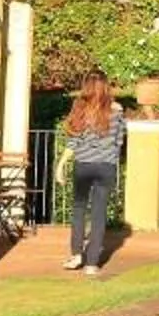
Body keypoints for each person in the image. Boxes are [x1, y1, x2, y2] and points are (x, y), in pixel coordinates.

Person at [64, 72, 124, 275]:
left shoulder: (80, 107)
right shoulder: (117, 111)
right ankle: (91, 264)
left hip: (83, 164)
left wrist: (61, 163)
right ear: (106, 86)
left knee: (79, 208)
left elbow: (74, 139)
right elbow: (119, 141)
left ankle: (76, 254)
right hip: (106, 166)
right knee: (98, 214)